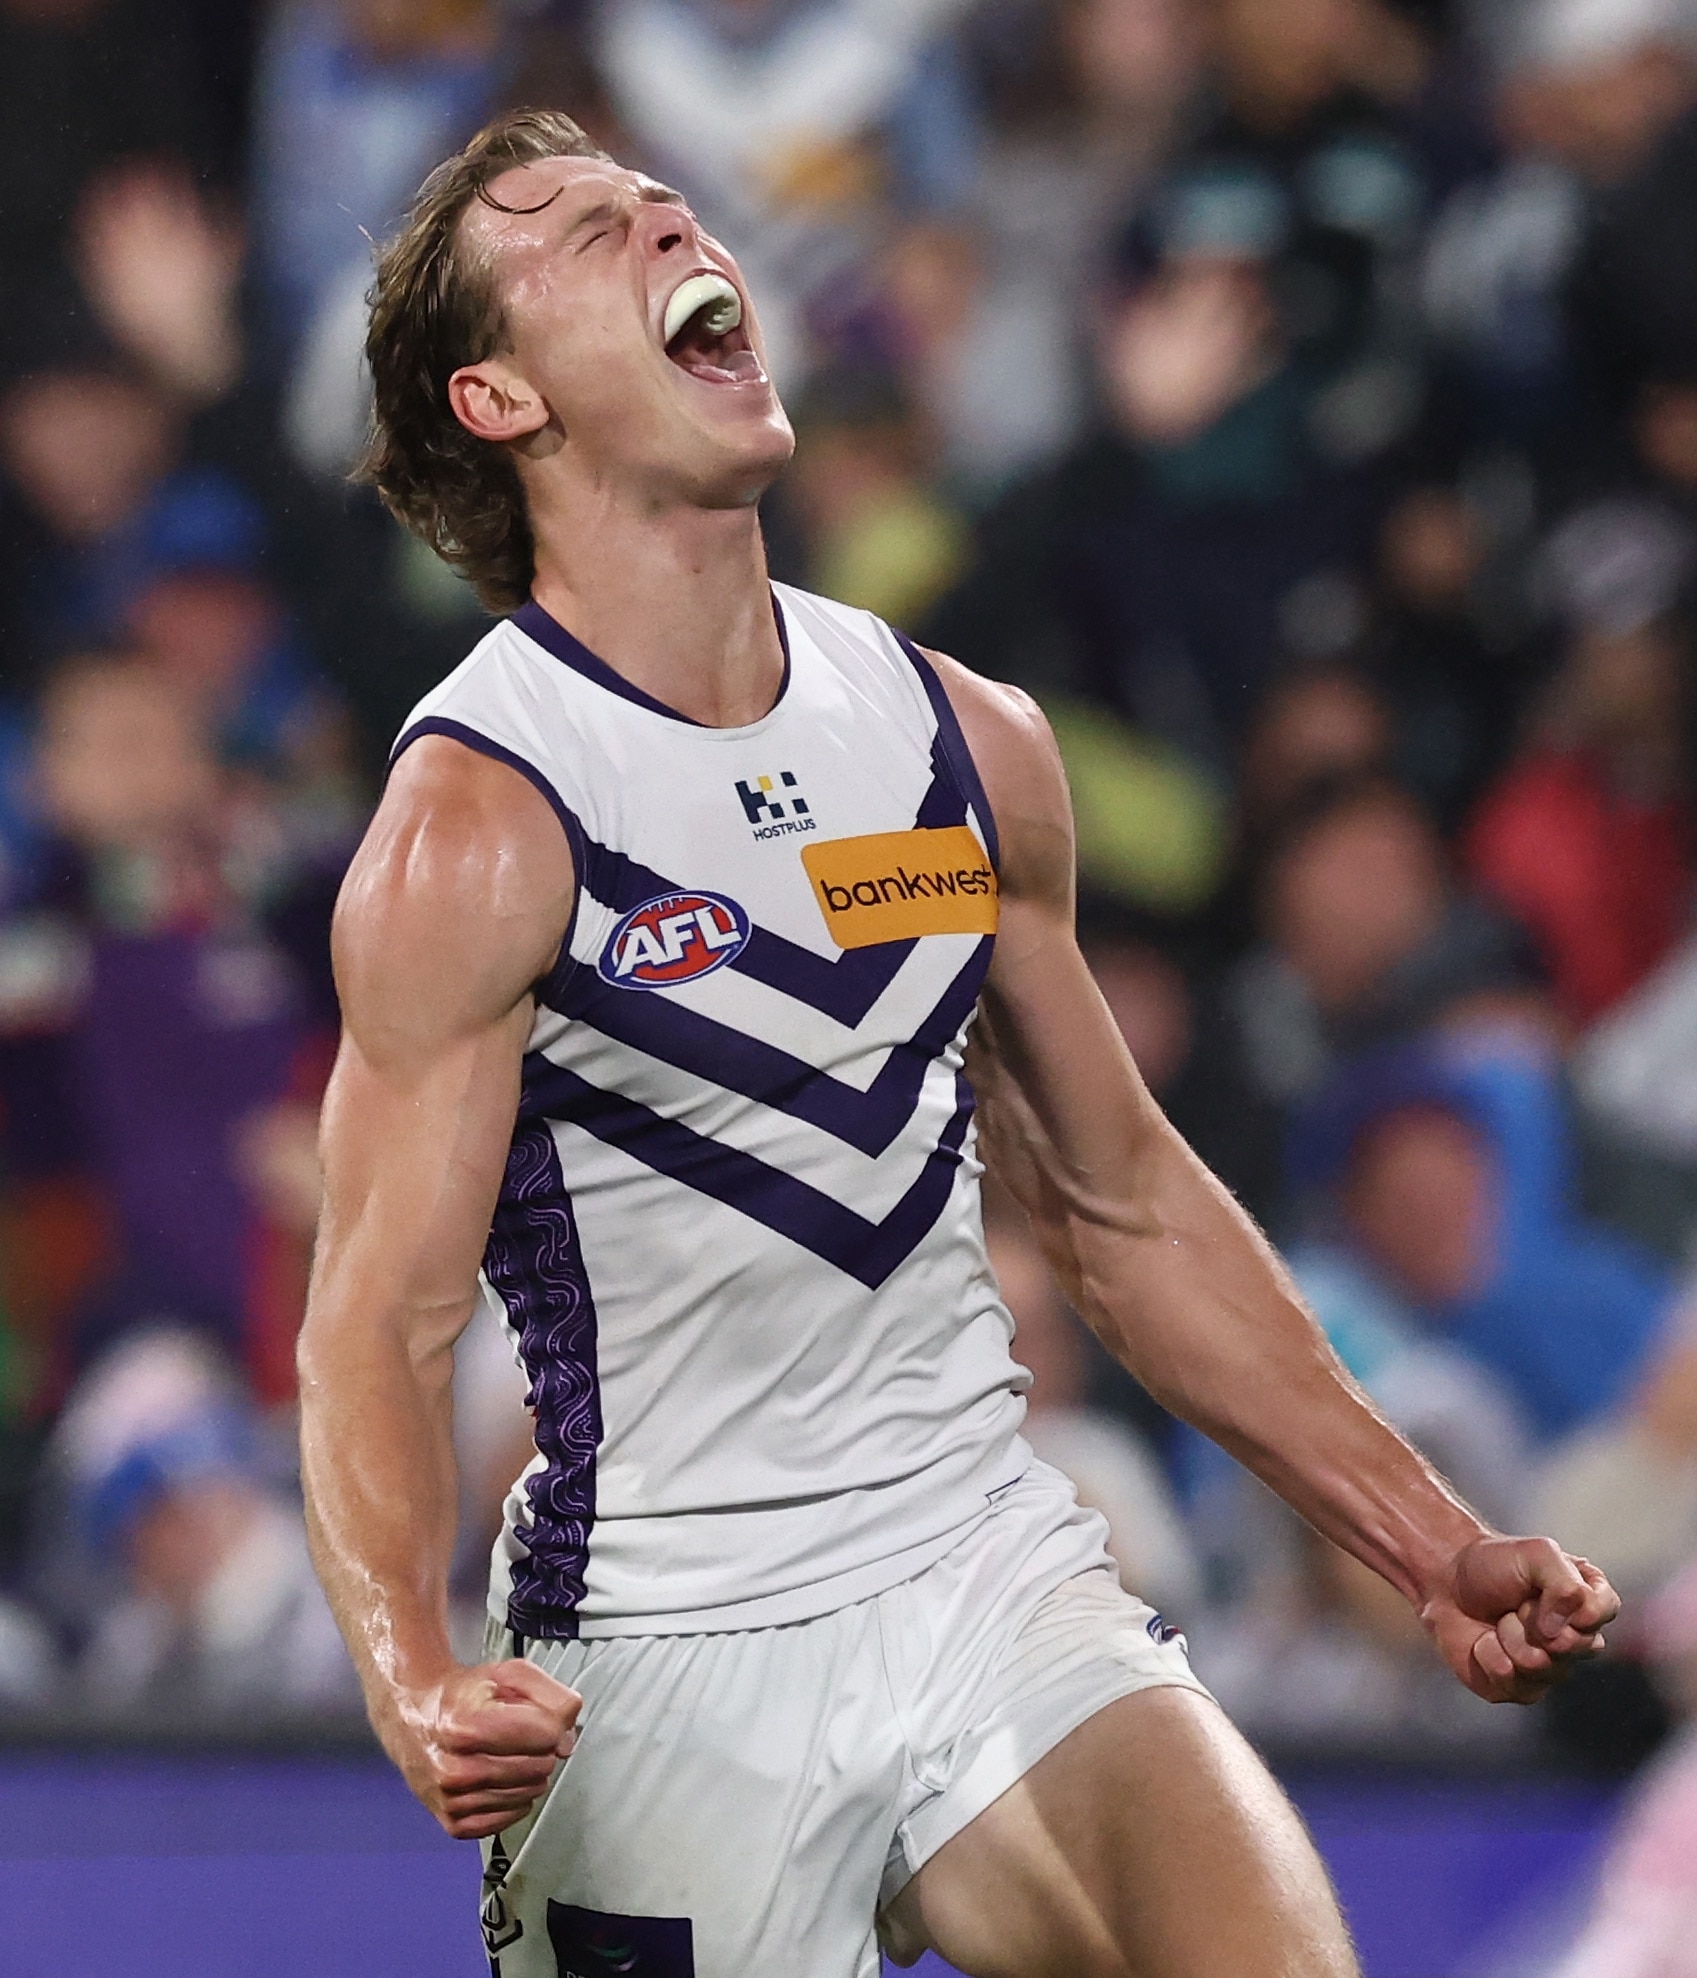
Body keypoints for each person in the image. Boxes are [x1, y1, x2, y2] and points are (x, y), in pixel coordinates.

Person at [296, 109, 1618, 1978]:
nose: (668, 213)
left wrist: (1424, 1536)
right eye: (587, 229)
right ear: (498, 398)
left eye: (664, 198)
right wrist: (411, 1675)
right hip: (666, 1653)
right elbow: (376, 1315)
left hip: (979, 1555)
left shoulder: (960, 740)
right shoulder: (480, 821)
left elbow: (1119, 1200)